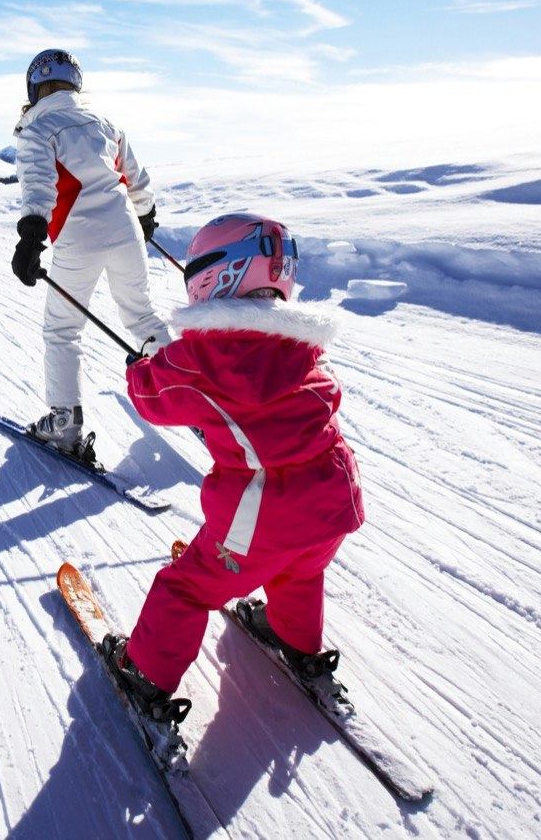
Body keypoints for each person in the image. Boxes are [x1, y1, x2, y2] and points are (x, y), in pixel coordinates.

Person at [99, 213, 365, 721]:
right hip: (335, 500)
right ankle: (294, 639)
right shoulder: (304, 342)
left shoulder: (203, 356)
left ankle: (145, 675)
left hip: (264, 516)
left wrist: (141, 367)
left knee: (187, 587)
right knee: (300, 570)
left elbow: (153, 397)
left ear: (216, 275)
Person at [10, 48, 170, 455]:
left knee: (63, 329)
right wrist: (145, 218)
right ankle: (196, 397)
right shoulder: (106, 124)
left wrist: (31, 238)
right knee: (142, 315)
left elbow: (39, 185)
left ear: (35, 87)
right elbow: (136, 180)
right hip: (125, 227)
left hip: (79, 235)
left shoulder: (38, 128)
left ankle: (64, 421)